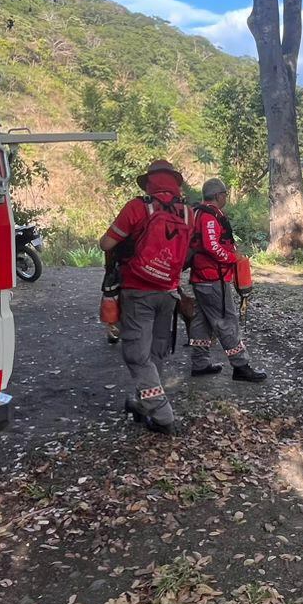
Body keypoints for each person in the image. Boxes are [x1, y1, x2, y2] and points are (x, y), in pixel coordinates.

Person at [98, 159, 194, 435]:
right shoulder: (187, 213)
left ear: (150, 182)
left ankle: (162, 415)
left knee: (136, 355)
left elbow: (106, 243)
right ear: (175, 183)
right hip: (169, 291)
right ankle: (143, 403)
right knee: (156, 351)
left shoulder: (138, 207)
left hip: (138, 291)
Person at [187, 178, 267, 383]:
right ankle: (241, 366)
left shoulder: (196, 213)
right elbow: (211, 246)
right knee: (226, 321)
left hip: (200, 277)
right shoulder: (209, 217)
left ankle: (200, 363)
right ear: (218, 195)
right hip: (212, 277)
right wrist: (233, 258)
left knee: (201, 321)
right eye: (224, 194)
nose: (225, 197)